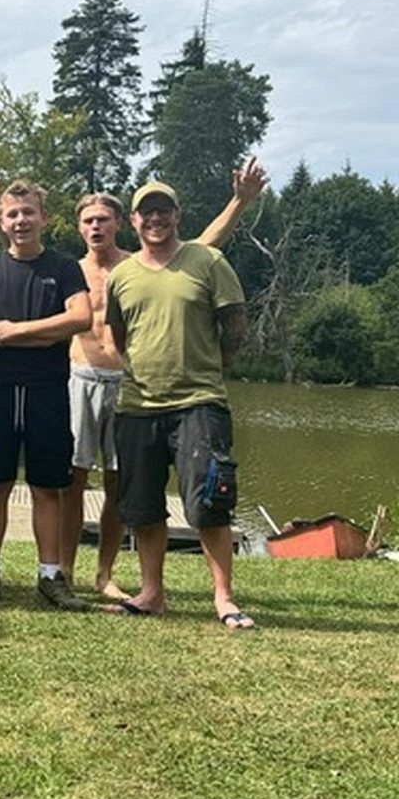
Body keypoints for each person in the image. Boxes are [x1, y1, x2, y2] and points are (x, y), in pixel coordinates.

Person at [58, 157, 267, 597]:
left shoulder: (140, 263)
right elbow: (20, 243)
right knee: (74, 480)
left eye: (103, 219)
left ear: (122, 223)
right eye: (88, 220)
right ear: (79, 227)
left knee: (120, 485)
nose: (96, 227)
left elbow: (204, 247)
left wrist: (240, 202)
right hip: (87, 379)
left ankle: (106, 574)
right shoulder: (70, 270)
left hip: (132, 384)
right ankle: (66, 571)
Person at [104, 180, 255, 629]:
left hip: (199, 403)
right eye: (146, 212)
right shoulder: (122, 275)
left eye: (163, 210)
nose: (155, 219)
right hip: (137, 405)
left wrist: (213, 367)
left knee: (209, 503)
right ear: (133, 221)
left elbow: (236, 326)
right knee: (142, 506)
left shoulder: (207, 261)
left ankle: (224, 597)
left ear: (177, 216)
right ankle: (152, 592)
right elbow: (118, 335)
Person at [0, 179, 92, 611]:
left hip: (47, 390)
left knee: (47, 486)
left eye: (29, 212)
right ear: (1, 222)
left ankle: (50, 575)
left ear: (44, 218)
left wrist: (16, 331)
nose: (21, 221)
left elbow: (81, 317)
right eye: (13, 214)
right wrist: (44, 334)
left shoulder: (64, 267)